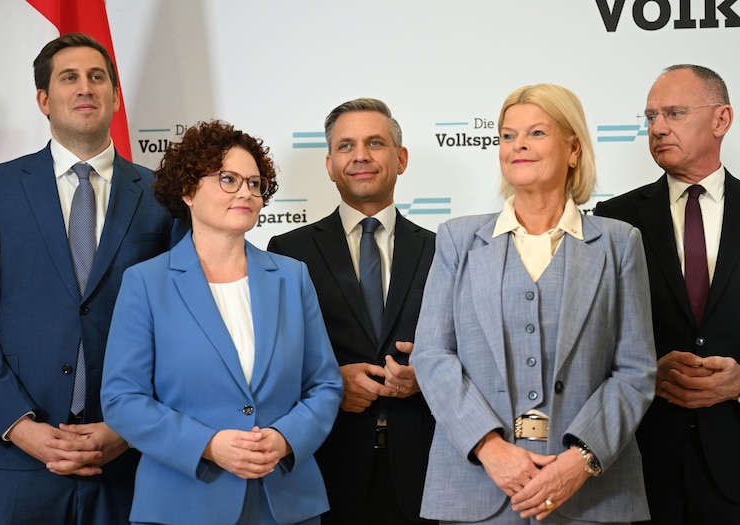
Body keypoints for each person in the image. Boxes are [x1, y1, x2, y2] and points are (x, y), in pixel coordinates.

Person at [0, 33, 184, 525]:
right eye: (68, 77)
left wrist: (129, 427)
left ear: (115, 97)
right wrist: (19, 425)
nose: (85, 88)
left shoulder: (165, 195)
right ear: (43, 100)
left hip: (128, 459)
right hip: (15, 460)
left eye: (98, 77)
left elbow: (180, 328)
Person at [411, 83, 657, 524]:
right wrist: (490, 448)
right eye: (507, 135)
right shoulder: (456, 240)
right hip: (476, 491)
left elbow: (635, 371)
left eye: (537, 133)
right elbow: (432, 356)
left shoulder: (620, 243)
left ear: (574, 150)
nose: (518, 145)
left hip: (593, 496)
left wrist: (580, 461)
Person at [100, 120, 343, 525]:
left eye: (254, 182)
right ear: (188, 190)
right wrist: (208, 445)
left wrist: (285, 439)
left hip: (285, 502)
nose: (246, 192)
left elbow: (325, 383)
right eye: (228, 179)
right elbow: (123, 400)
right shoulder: (145, 282)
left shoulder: (292, 276)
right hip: (182, 503)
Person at [267, 98, 437, 524]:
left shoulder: (444, 249)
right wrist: (331, 382)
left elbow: (470, 353)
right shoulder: (289, 251)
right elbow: (273, 362)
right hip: (328, 468)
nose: (360, 156)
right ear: (329, 164)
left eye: (375, 143)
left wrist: (427, 378)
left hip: (424, 472)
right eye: (346, 146)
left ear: (401, 158)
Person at [595, 65, 740, 525]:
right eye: (651, 117)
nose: (657, 128)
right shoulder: (613, 218)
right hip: (644, 464)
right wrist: (643, 375)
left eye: (674, 113)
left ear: (722, 120)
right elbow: (591, 338)